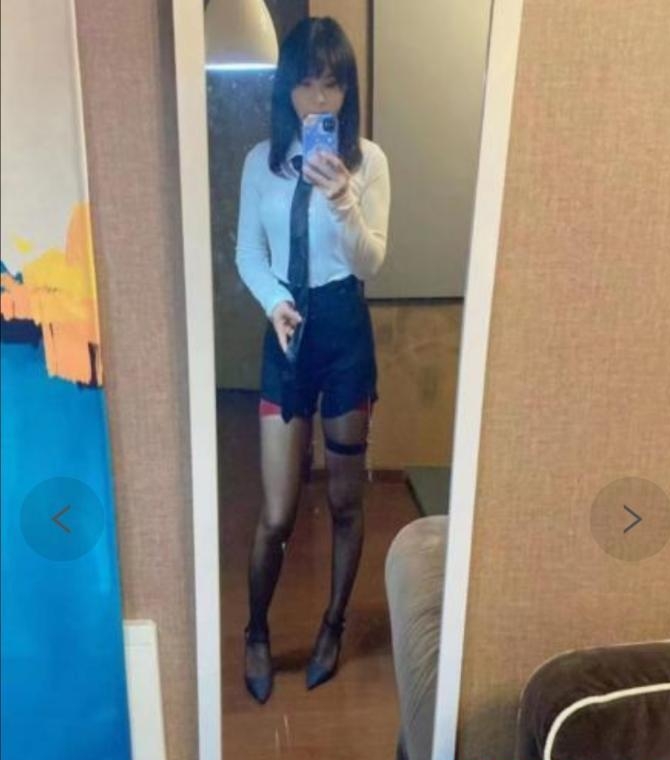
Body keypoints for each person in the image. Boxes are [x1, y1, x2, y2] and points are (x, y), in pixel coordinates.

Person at [235, 16, 390, 704]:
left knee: (345, 500)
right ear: (286, 88)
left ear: (346, 88)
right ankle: (256, 631)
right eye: (305, 84)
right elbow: (249, 252)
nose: (318, 100)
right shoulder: (261, 163)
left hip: (344, 331)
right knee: (277, 511)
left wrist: (344, 200)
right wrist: (273, 302)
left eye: (331, 84)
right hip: (287, 330)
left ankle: (332, 625)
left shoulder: (368, 161)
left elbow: (372, 261)